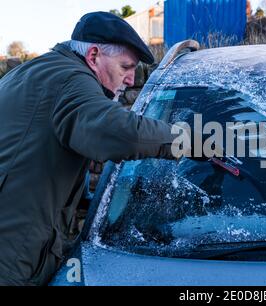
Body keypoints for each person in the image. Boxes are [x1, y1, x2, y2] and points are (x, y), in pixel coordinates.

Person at [0, 12, 182, 285]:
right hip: (10, 259)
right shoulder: (70, 81)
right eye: (125, 67)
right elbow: (118, 132)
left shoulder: (30, 72)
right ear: (94, 56)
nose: (131, 80)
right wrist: (192, 141)